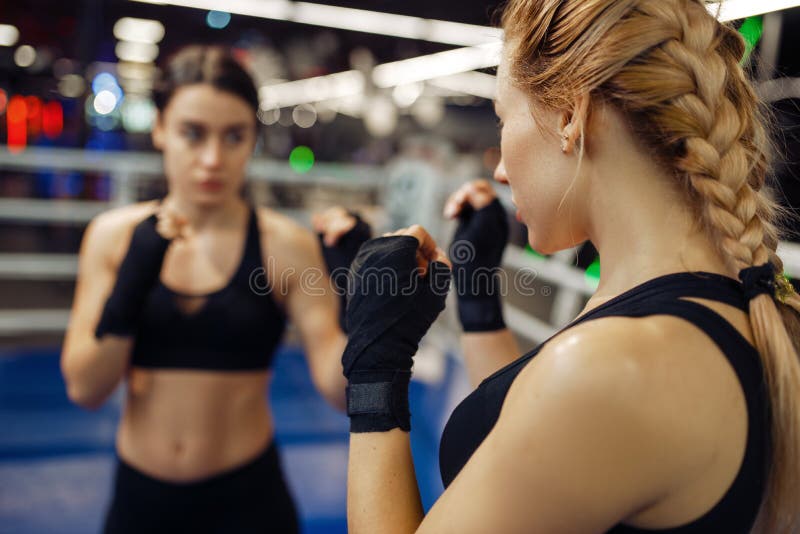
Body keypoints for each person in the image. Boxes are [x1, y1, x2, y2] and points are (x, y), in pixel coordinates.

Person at [340, 1, 800, 533]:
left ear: (568, 116)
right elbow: (532, 436)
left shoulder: (618, 367)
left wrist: (375, 371)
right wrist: (477, 294)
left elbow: (567, 404)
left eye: (502, 121)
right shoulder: (686, 310)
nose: (503, 170)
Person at [60, 46, 369, 534]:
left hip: (248, 502)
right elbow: (86, 388)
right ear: (160, 128)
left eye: (233, 137)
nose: (212, 159)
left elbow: (342, 392)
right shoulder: (114, 238)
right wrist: (131, 285)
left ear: (252, 141)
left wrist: (361, 303)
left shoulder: (282, 246)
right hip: (141, 502)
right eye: (192, 133)